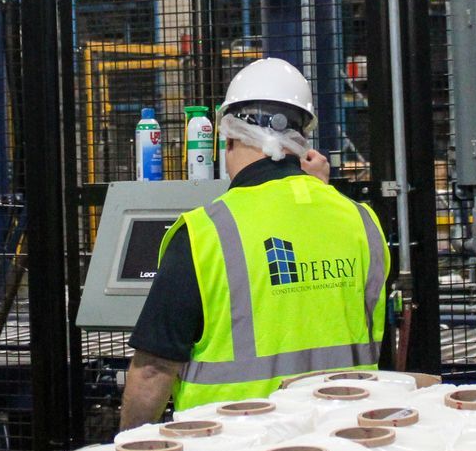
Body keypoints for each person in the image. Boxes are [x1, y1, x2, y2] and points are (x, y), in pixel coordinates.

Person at [119, 58, 390, 430]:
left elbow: (152, 371)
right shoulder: (362, 222)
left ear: (229, 137)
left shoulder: (204, 234)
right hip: (341, 449)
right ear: (302, 140)